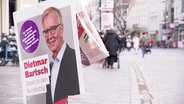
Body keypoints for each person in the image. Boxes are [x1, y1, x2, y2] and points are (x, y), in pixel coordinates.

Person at [42, 7, 80, 104]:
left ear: (61, 29)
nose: (49, 36)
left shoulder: (75, 59)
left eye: (53, 29)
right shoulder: (47, 67)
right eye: (46, 31)